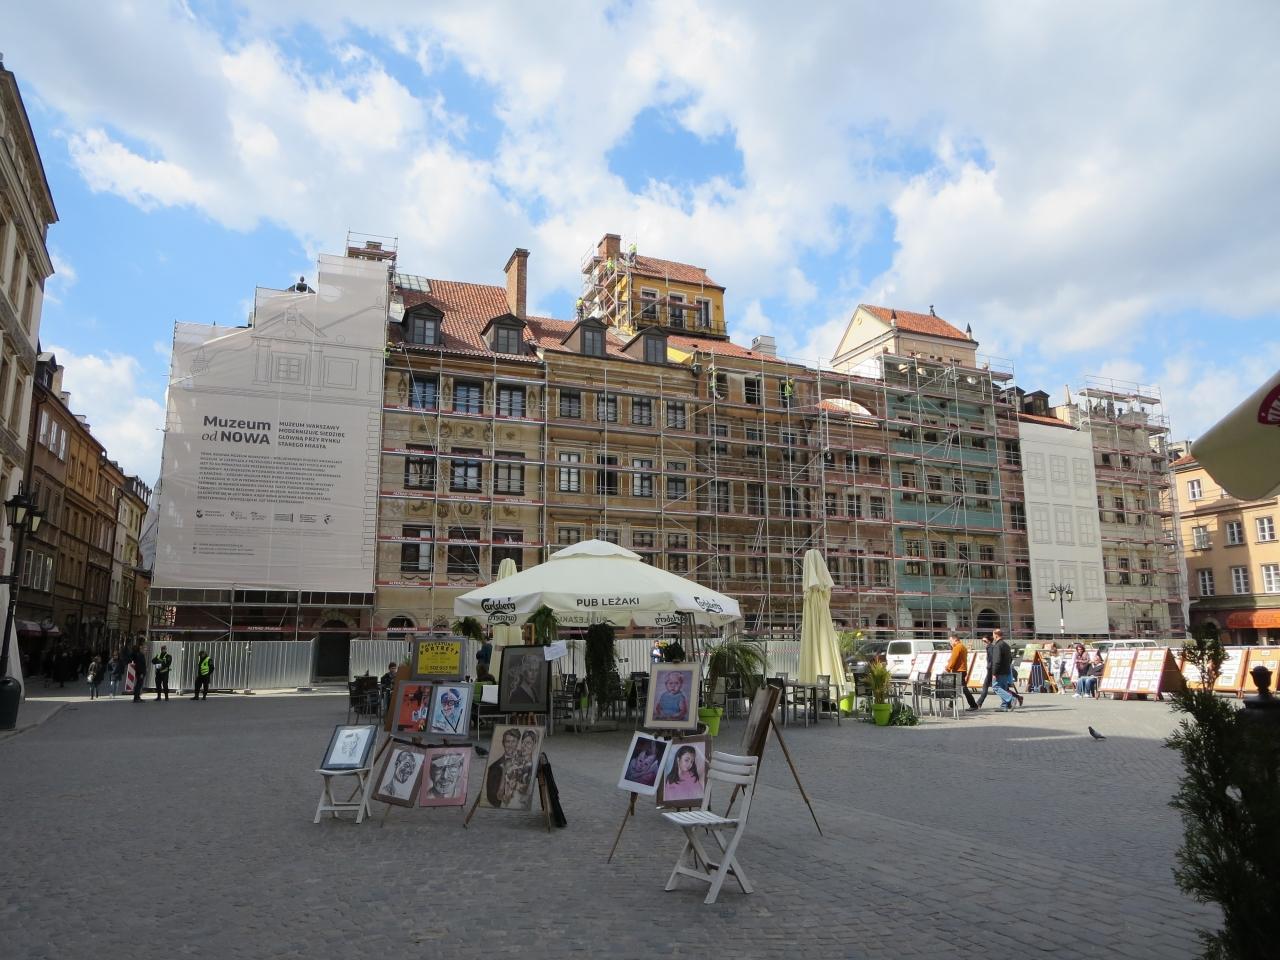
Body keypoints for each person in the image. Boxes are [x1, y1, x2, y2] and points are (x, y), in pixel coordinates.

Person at [485, 729, 522, 807]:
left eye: (513, 741)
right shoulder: (494, 767)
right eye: (507, 741)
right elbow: (492, 797)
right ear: (503, 743)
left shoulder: (524, 760)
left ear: (517, 743)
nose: (510, 745)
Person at [944, 633, 980, 710]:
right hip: (962, 670)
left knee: (962, 688)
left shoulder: (957, 647)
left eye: (950, 641)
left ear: (955, 640)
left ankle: (973, 705)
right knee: (957, 687)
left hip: (958, 670)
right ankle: (951, 705)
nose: (950, 642)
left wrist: (947, 668)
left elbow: (953, 659)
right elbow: (956, 659)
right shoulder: (962, 646)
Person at [989, 629, 1020, 711]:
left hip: (999, 671)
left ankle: (1011, 698)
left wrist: (994, 672)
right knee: (1003, 688)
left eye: (993, 635)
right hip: (1006, 670)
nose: (993, 636)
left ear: (996, 635)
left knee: (995, 687)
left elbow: (996, 660)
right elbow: (1010, 659)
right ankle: (1004, 706)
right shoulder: (1006, 645)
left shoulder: (997, 645)